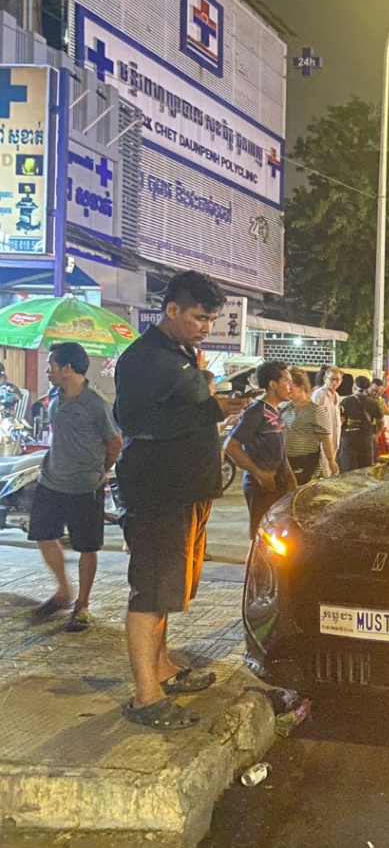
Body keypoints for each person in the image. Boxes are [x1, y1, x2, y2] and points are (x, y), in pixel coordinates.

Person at [114, 270, 250, 730]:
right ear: (171, 310)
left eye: (211, 319)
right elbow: (133, 422)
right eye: (199, 317)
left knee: (168, 588)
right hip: (159, 493)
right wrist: (211, 409)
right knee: (150, 590)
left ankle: (163, 669)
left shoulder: (179, 353)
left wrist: (212, 405)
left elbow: (178, 413)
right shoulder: (145, 357)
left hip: (185, 491)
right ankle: (146, 697)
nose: (206, 327)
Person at [26, 343, 122, 632]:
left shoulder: (96, 403)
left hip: (85, 487)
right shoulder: (55, 396)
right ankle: (63, 591)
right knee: (43, 535)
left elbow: (114, 443)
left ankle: (82, 604)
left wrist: (100, 471)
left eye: (51, 365)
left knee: (86, 547)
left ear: (67, 368)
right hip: (51, 481)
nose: (48, 371)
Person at [225, 362, 296, 539]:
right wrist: (259, 474)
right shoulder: (256, 411)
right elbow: (231, 446)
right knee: (261, 536)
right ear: (273, 384)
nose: (291, 386)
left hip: (279, 483)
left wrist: (290, 475)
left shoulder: (276, 411)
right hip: (260, 487)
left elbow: (279, 448)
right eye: (287, 381)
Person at [281, 366, 336, 486]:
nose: (287, 391)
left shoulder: (316, 410)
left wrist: (331, 460)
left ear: (301, 388)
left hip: (306, 462)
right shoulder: (284, 407)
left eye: (291, 388)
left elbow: (325, 438)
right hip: (286, 462)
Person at [337, 375, 385, 472]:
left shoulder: (346, 401)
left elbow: (340, 420)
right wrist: (376, 435)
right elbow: (381, 422)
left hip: (349, 439)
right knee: (365, 469)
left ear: (354, 387)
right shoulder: (373, 402)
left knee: (347, 470)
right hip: (366, 438)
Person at [311, 366, 343, 476]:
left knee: (331, 471)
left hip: (334, 439)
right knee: (323, 471)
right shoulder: (319, 394)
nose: (335, 382)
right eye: (332, 379)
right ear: (325, 379)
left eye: (337, 380)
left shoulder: (336, 395)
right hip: (322, 441)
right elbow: (314, 418)